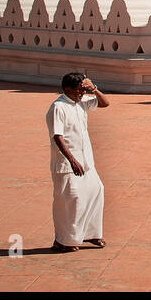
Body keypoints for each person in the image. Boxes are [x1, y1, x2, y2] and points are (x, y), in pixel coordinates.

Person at [46, 73, 110, 252]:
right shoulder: (58, 107)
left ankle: (90, 234)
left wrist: (93, 89)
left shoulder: (80, 102)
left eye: (83, 91)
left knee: (96, 191)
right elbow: (57, 137)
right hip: (67, 165)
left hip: (86, 162)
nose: (82, 94)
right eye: (79, 91)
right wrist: (72, 160)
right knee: (71, 200)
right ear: (67, 90)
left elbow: (105, 103)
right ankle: (63, 241)